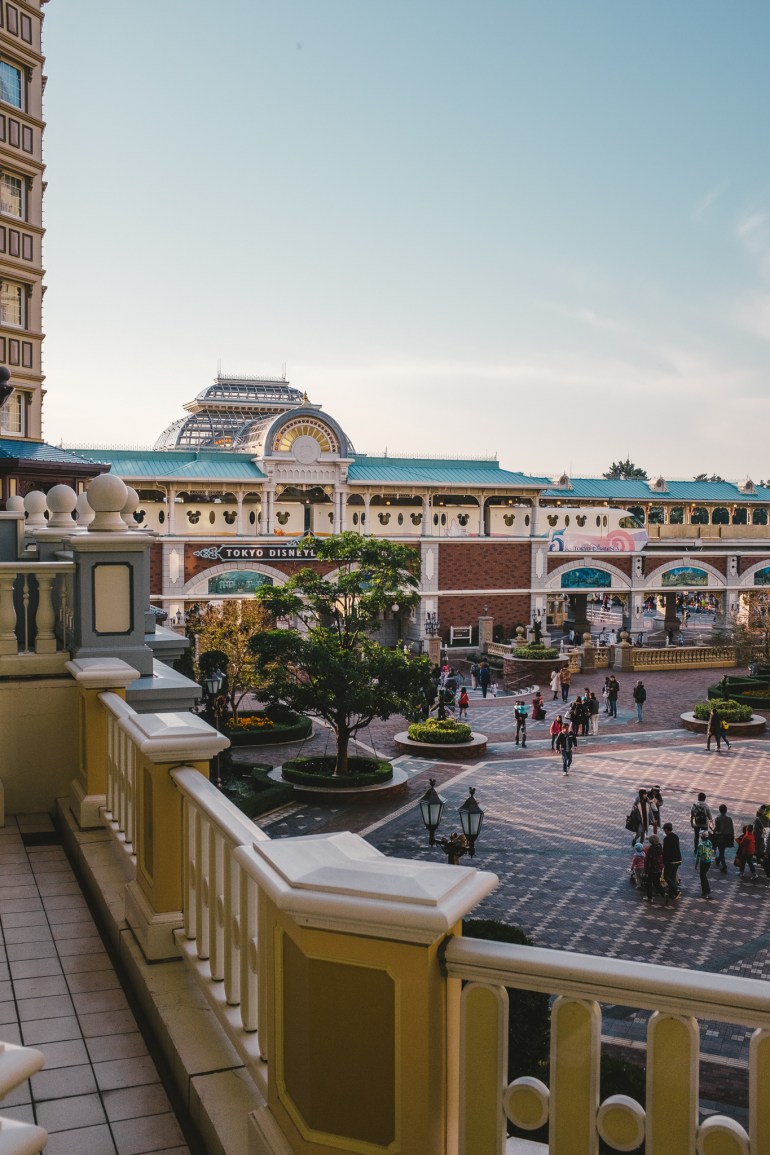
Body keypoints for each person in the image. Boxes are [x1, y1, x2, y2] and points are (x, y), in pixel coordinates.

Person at [643, 835, 667, 904]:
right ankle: (664, 894)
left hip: (652, 869)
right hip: (659, 868)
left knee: (649, 883)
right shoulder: (660, 847)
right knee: (657, 882)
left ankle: (649, 898)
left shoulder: (651, 849)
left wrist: (646, 871)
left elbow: (648, 861)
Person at [661, 823, 682, 901]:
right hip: (678, 859)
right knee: (672, 876)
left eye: (664, 829)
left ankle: (676, 890)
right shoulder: (676, 836)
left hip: (670, 861)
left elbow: (665, 851)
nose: (664, 831)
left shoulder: (666, 839)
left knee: (666, 876)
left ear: (666, 829)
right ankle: (671, 893)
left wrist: (663, 861)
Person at [713, 804, 734, 873]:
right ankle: (718, 860)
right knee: (722, 851)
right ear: (726, 810)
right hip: (728, 837)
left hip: (720, 837)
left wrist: (712, 830)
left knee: (721, 851)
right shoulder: (729, 819)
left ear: (719, 810)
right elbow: (732, 829)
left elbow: (716, 829)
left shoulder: (718, 818)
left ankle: (724, 866)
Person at [695, 829, 714, 898]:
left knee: (702, 877)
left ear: (702, 837)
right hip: (709, 861)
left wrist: (696, 864)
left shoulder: (700, 845)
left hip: (703, 862)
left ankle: (705, 892)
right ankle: (707, 890)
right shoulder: (709, 842)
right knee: (704, 876)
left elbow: (698, 855)